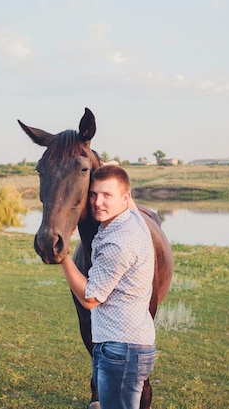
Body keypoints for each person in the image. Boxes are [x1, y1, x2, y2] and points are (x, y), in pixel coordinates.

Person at [60, 164, 156, 409]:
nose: (97, 202)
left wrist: (63, 257)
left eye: (107, 195)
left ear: (125, 199)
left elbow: (91, 299)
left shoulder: (119, 243)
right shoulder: (131, 217)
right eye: (93, 194)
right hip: (121, 345)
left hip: (121, 350)